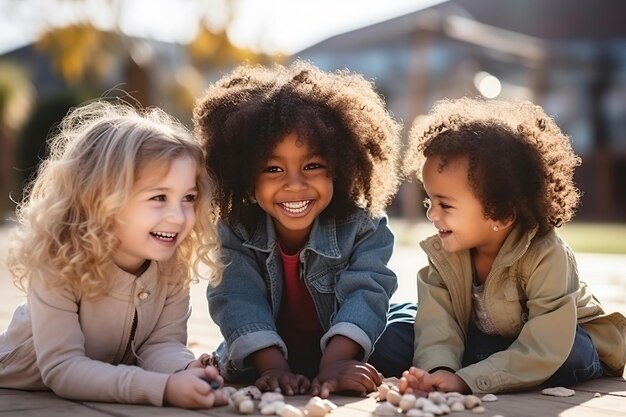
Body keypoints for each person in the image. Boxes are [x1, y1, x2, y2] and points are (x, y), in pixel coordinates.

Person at [193, 61, 416, 398]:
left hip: (348, 339)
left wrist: (337, 362)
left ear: (340, 167)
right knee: (241, 355)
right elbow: (237, 298)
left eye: (313, 166)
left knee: (409, 328)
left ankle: (333, 364)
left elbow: (367, 292)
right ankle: (282, 365)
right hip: (269, 345)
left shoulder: (364, 225)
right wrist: (271, 367)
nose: (295, 185)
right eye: (272, 168)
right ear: (244, 174)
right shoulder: (237, 229)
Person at [0, 100, 229, 409]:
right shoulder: (59, 264)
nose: (178, 215)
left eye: (188, 197)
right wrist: (163, 388)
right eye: (159, 197)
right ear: (101, 199)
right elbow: (63, 370)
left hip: (105, 374)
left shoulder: (170, 266)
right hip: (18, 377)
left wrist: (185, 371)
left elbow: (160, 345)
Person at [399, 97, 626, 395]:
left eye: (445, 204)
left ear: (501, 213)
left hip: (559, 340)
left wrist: (466, 381)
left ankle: (485, 367)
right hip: (490, 343)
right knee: (396, 332)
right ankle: (483, 365)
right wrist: (440, 371)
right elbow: (437, 324)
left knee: (570, 353)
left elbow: (546, 345)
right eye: (429, 200)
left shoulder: (547, 254)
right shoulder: (444, 253)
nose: (432, 214)